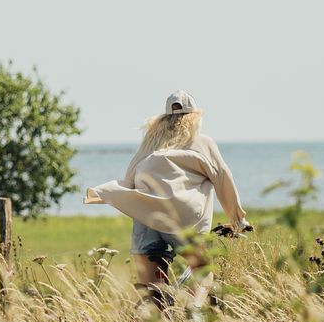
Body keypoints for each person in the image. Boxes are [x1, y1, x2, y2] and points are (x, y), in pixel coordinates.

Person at [85, 90, 249, 294]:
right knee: (202, 268)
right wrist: (238, 220)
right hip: (183, 219)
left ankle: (154, 317)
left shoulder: (151, 143)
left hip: (147, 217)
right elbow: (222, 177)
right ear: (195, 117)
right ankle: (194, 314)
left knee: (151, 290)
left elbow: (130, 178)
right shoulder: (203, 142)